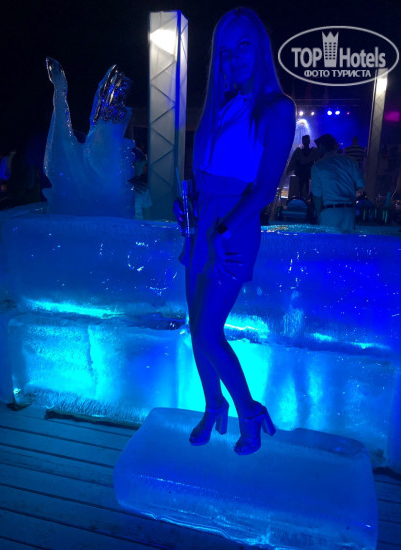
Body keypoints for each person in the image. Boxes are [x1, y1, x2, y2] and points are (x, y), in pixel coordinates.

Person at [173, 7, 295, 455]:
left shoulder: (276, 108)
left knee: (209, 330)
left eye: (243, 45)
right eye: (225, 51)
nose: (234, 58)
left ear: (260, 48)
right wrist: (189, 207)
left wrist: (222, 231)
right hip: (202, 222)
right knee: (195, 327)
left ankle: (249, 411)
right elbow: (205, 173)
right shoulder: (219, 107)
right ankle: (213, 405)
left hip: (234, 225)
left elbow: (264, 190)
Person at [311, 133, 365, 231]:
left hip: (330, 212)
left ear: (321, 146)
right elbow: (360, 185)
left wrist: (319, 215)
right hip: (349, 212)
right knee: (347, 241)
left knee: (328, 241)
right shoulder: (350, 161)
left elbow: (317, 196)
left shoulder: (318, 166)